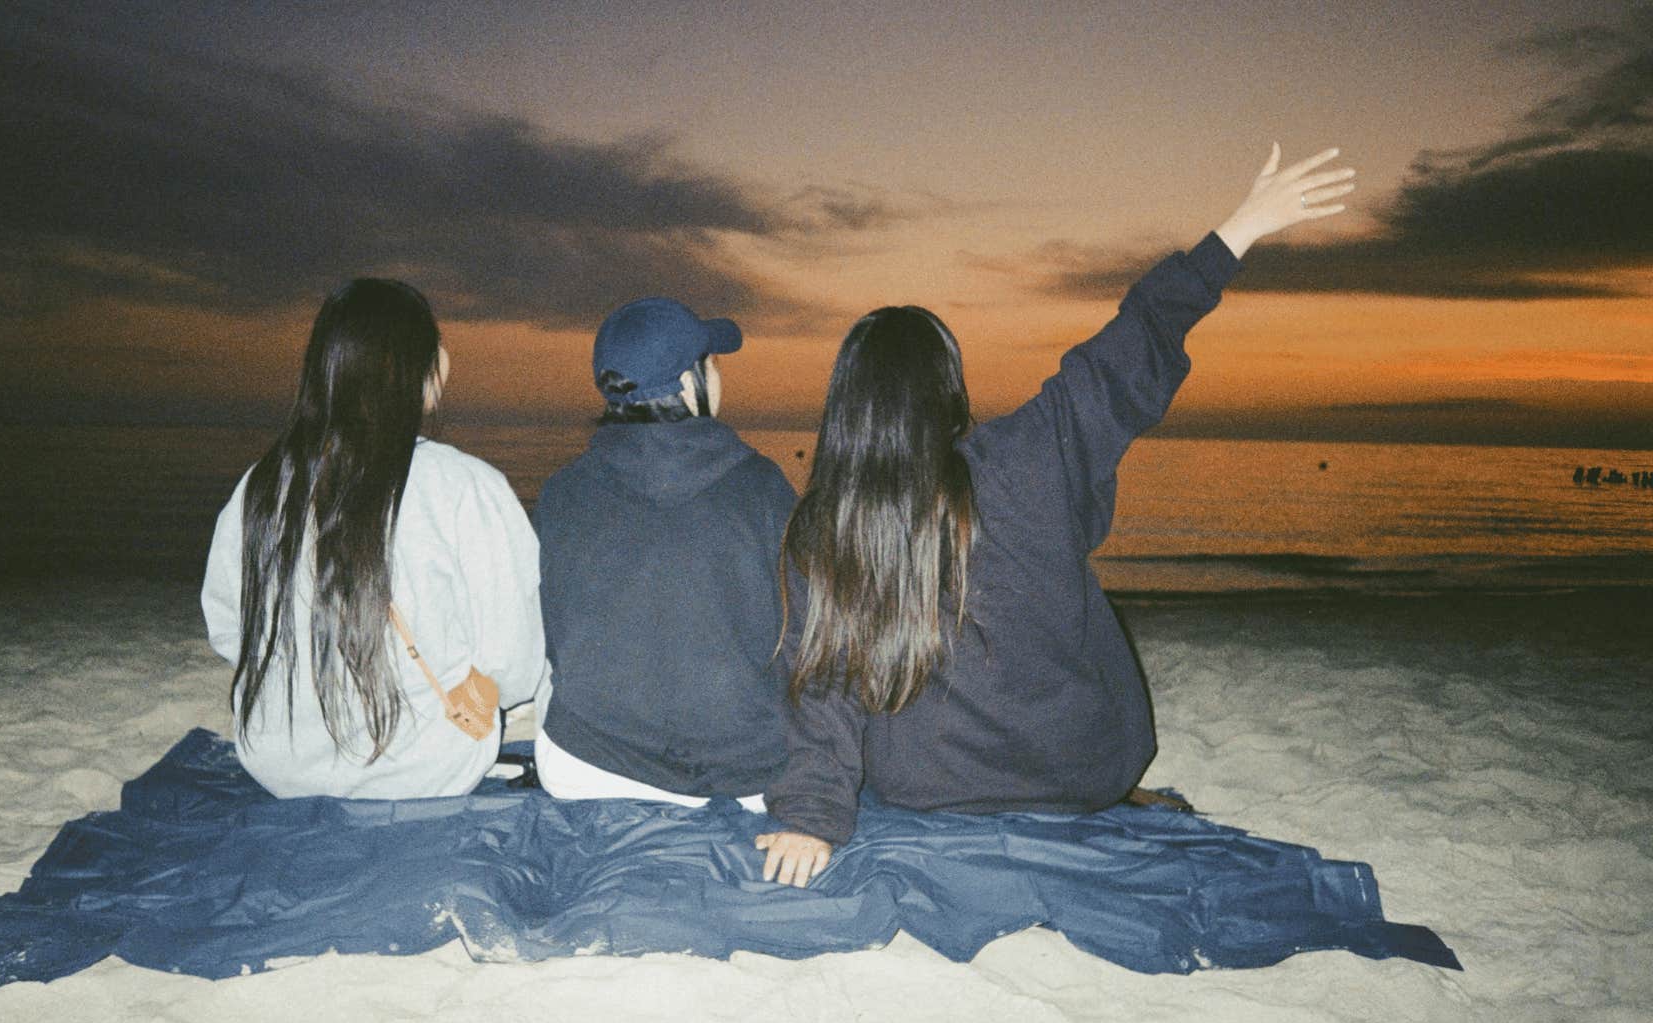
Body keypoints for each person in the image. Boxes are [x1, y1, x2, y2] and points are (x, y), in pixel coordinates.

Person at [757, 146, 1358, 887]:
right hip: (1079, 772)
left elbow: (820, 691)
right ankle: (1113, 798)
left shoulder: (824, 528)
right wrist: (1239, 230)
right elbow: (1131, 346)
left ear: (846, 408)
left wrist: (811, 818)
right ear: (949, 388)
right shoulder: (1029, 455)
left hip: (932, 790)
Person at [201, 279, 544, 799]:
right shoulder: (464, 485)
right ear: (421, 368)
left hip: (276, 763)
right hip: (425, 769)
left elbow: (230, 630)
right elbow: (513, 662)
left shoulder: (262, 484)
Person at [533, 297, 796, 809]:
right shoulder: (764, 488)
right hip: (745, 775)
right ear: (687, 382)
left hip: (588, 768)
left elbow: (552, 632)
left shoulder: (563, 490)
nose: (719, 377)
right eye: (712, 365)